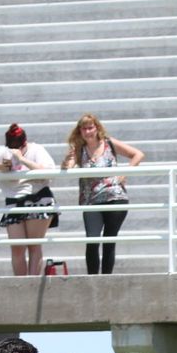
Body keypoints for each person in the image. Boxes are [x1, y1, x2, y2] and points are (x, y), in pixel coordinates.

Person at [62, 113, 143, 275]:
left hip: (115, 196)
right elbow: (67, 167)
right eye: (83, 128)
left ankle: (106, 278)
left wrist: (125, 173)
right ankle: (93, 278)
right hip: (91, 200)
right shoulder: (79, 149)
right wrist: (66, 161)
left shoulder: (109, 143)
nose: (87, 131)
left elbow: (138, 154)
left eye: (90, 127)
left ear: (97, 128)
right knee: (92, 240)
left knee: (108, 241)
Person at [0, 123, 59, 276]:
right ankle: (20, 282)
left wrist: (22, 159)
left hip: (37, 197)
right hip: (14, 201)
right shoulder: (4, 152)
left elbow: (49, 171)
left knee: (34, 245)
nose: (15, 149)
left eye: (19, 146)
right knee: (16, 247)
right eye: (11, 147)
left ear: (24, 142)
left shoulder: (36, 149)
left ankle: (32, 282)